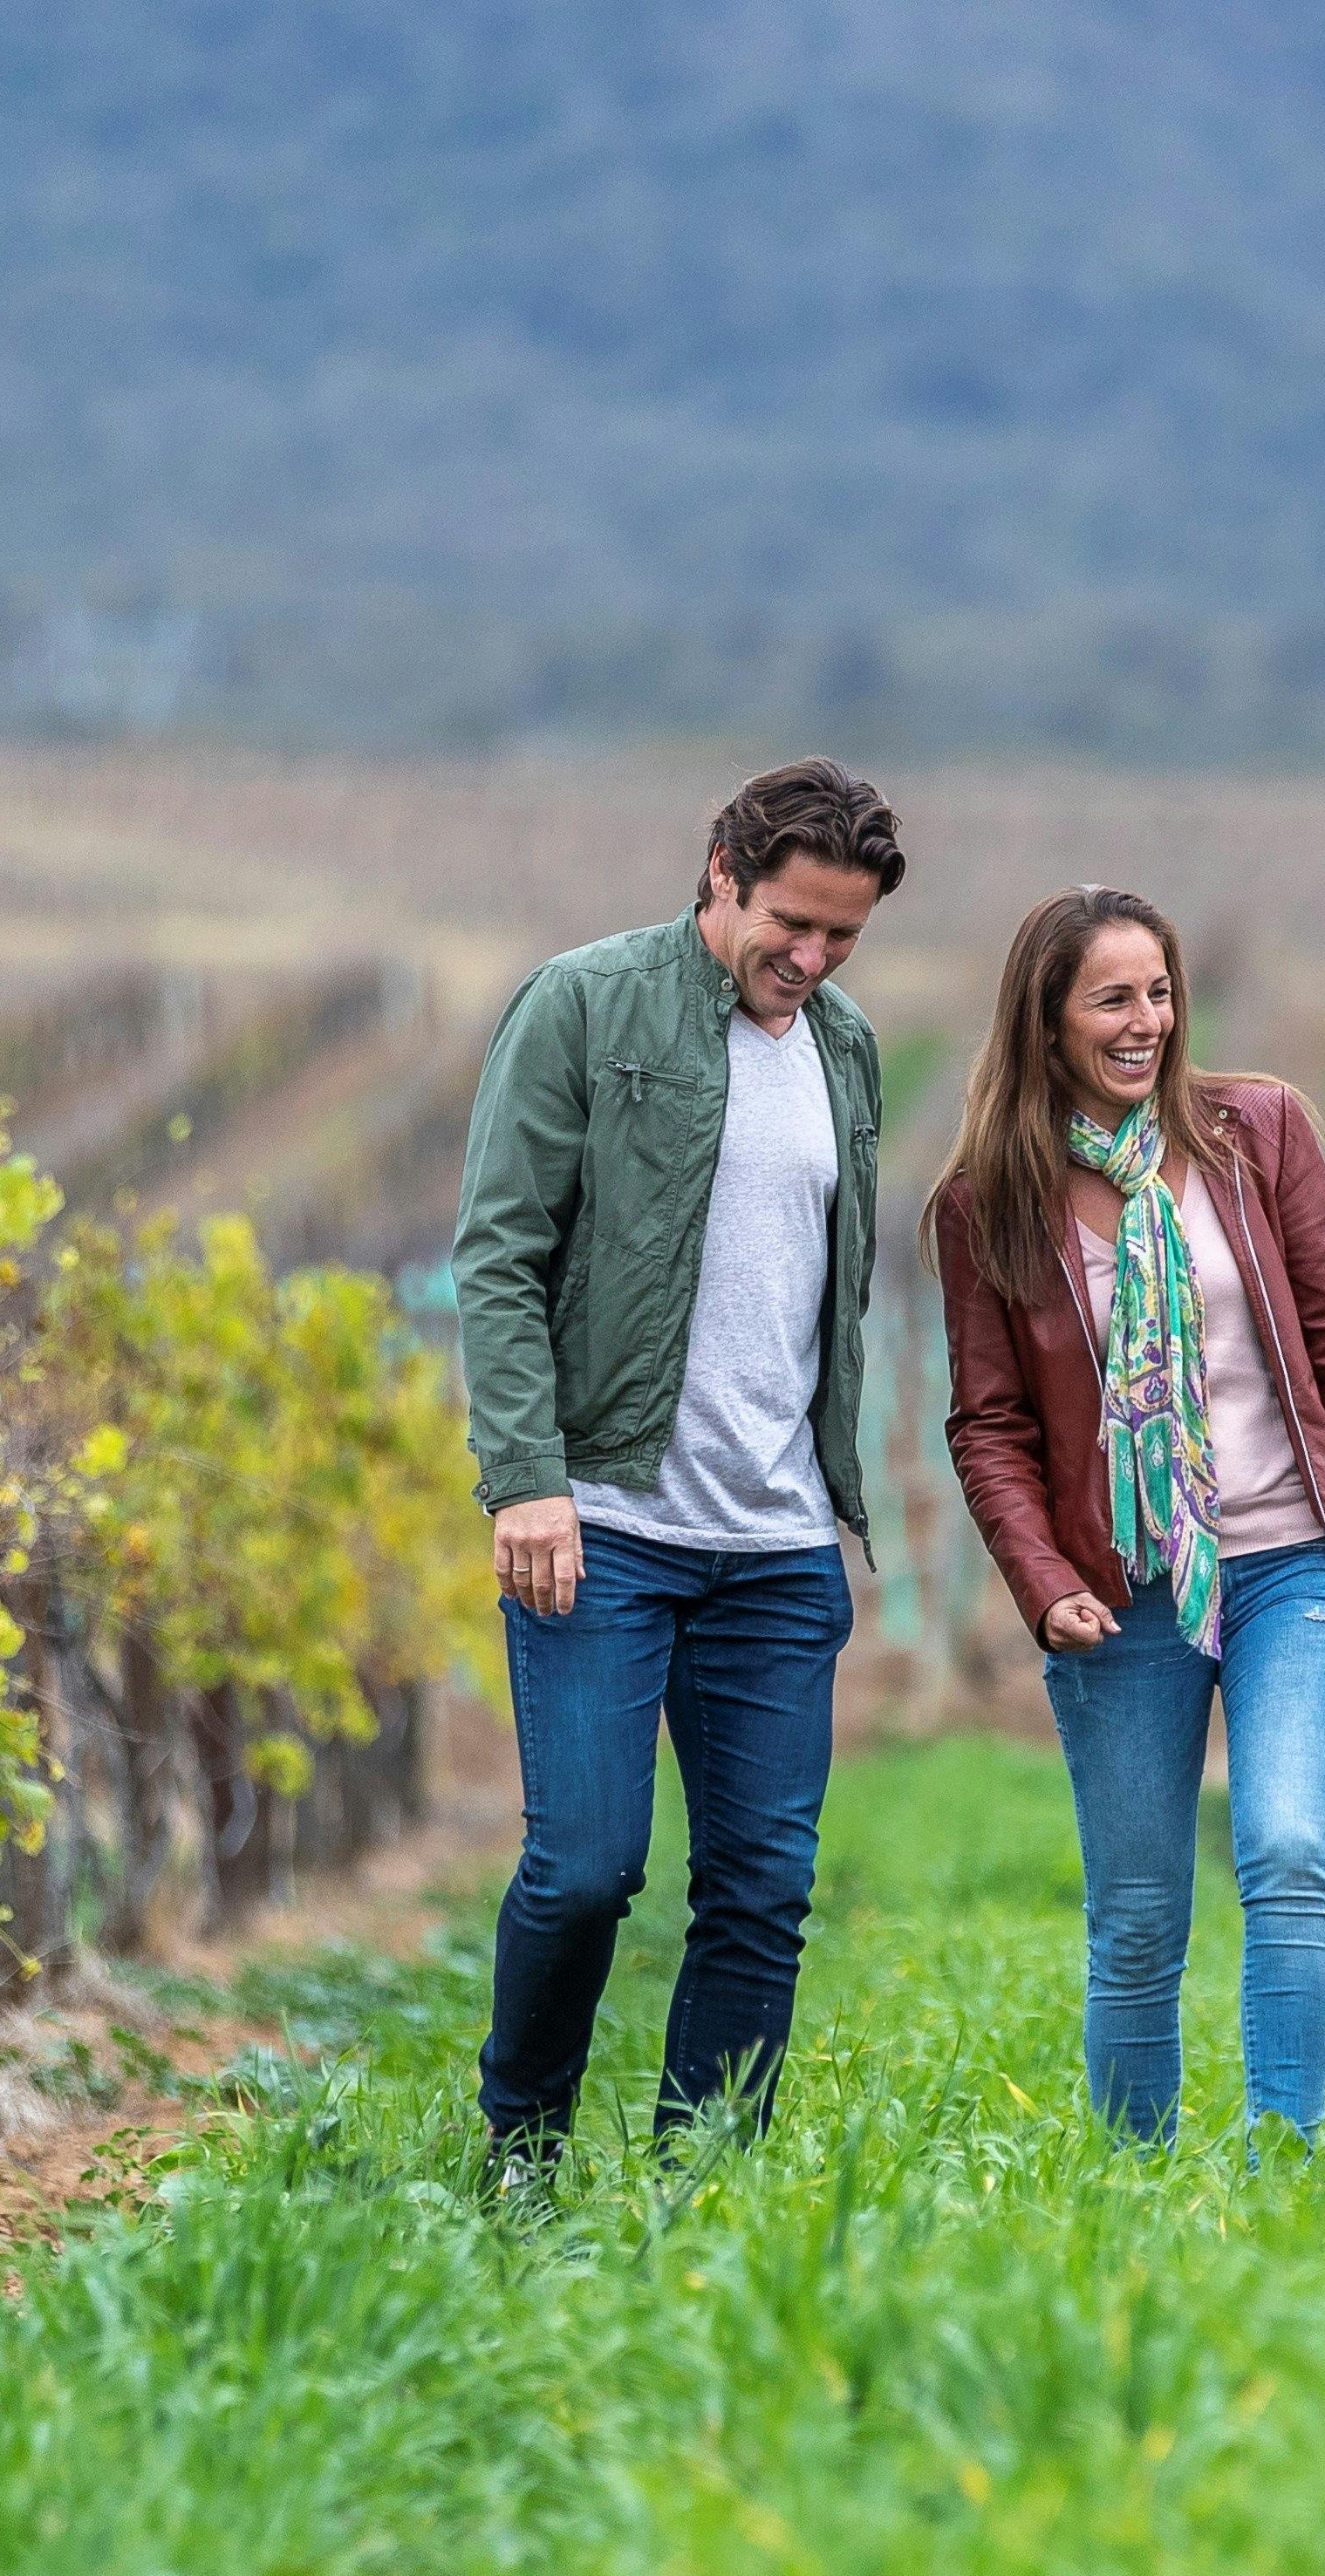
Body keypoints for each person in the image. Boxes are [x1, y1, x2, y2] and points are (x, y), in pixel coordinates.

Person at [931, 886, 1325, 2141]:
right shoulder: (986, 1203)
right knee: (1140, 1910)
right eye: (1111, 998)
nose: (1144, 1021)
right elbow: (988, 1423)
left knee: (1282, 1850)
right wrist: (1039, 1574)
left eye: (1158, 991)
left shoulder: (1254, 1132)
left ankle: (1284, 2157)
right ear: (1045, 1023)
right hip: (1121, 1590)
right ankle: (1134, 2181)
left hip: (1288, 1561)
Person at [451, 757, 902, 2181]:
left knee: (761, 1891)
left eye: (842, 935)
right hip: (603, 1521)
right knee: (585, 1869)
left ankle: (698, 2187)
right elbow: (499, 1253)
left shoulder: (847, 1050)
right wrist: (525, 1475)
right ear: (719, 868)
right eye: (790, 923)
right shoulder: (583, 1004)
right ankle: (519, 2150)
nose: (812, 959)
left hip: (774, 1545)